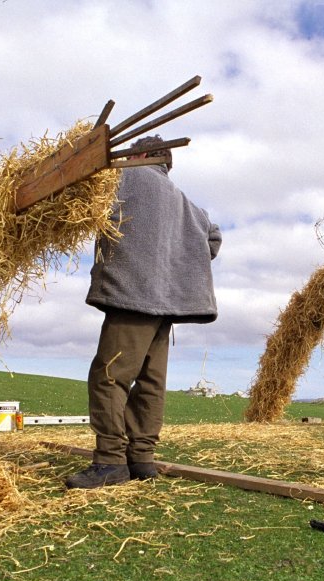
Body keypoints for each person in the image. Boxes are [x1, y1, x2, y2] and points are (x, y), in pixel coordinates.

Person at [65, 136, 222, 489]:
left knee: (109, 375)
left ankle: (109, 462)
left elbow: (80, 194)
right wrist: (175, 263)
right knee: (151, 381)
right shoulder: (191, 207)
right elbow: (213, 240)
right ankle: (141, 459)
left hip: (133, 295)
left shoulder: (122, 176)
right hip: (168, 304)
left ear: (138, 155)